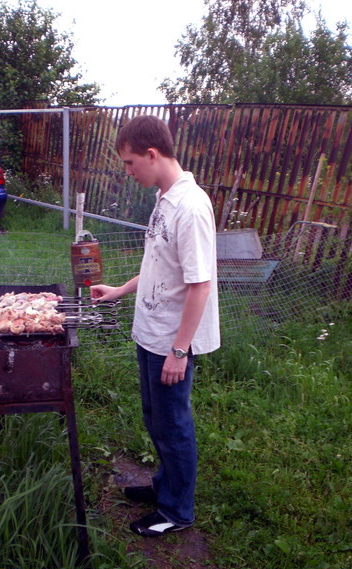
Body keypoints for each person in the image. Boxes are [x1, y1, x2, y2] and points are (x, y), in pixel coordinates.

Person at [91, 115, 220, 537]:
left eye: (130, 163)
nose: (127, 172)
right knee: (155, 419)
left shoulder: (191, 207)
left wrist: (179, 351)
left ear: (152, 154)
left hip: (171, 342)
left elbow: (200, 285)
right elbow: (159, 266)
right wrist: (120, 291)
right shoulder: (164, 198)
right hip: (151, 331)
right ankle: (165, 486)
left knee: (173, 425)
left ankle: (177, 512)